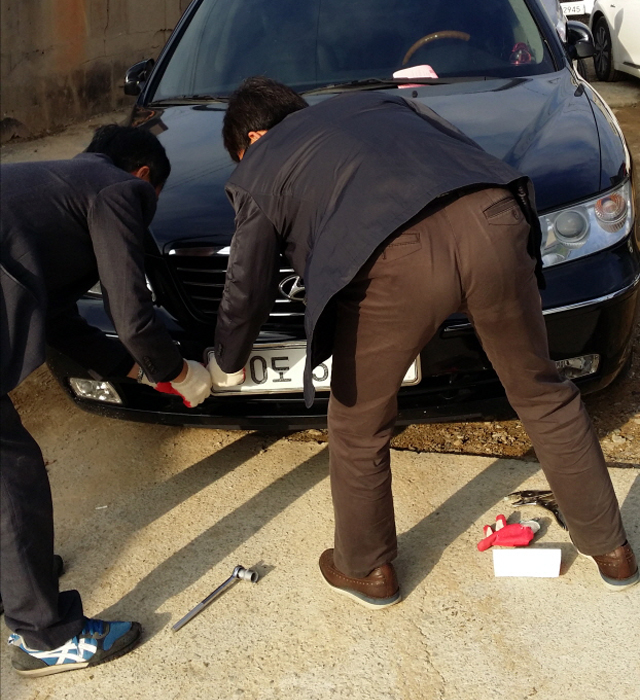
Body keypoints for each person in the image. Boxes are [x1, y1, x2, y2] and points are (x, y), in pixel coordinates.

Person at [210, 77, 638, 608]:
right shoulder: (380, 104)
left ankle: (366, 568)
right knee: (542, 391)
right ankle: (611, 549)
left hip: (397, 257)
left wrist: (228, 360)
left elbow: (246, 285)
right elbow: (462, 153)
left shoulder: (262, 160)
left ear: (251, 139)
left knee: (358, 422)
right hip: (495, 218)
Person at [1, 125, 212, 675]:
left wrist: (137, 371)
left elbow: (60, 322)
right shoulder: (117, 189)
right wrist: (180, 373)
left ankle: (14, 578)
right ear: (144, 176)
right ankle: (44, 637)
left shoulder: (52, 192)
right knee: (10, 474)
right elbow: (133, 317)